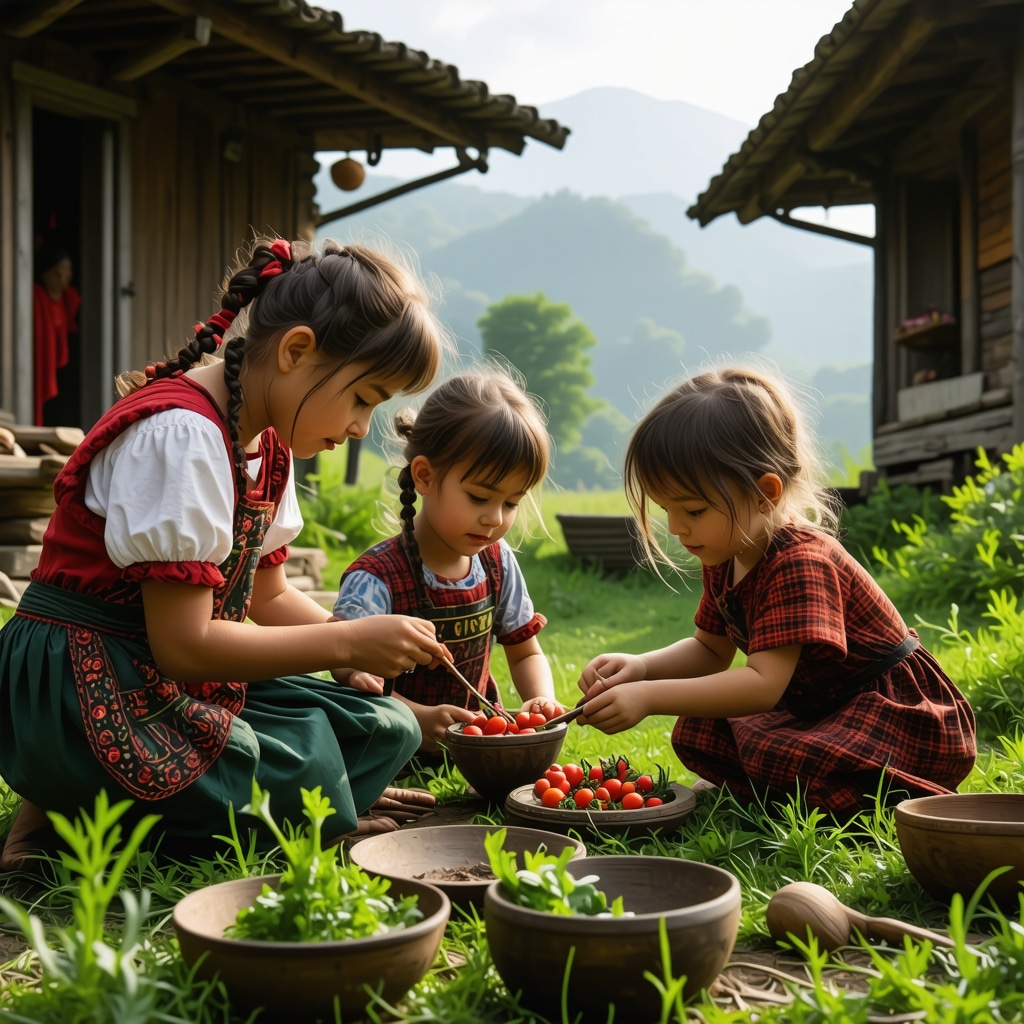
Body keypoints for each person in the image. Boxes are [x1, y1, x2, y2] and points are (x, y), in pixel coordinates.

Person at [0, 236, 451, 871]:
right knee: (308, 770)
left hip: (175, 679)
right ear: (297, 351)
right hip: (88, 679)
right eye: (362, 398)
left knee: (389, 727)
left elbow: (266, 598)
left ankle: (283, 800)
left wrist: (353, 647)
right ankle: (59, 806)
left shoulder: (268, 444)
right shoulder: (180, 436)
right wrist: (345, 645)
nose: (358, 428)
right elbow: (183, 644)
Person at [576, 365, 977, 818]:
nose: (676, 528)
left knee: (786, 749)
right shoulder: (727, 551)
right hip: (819, 705)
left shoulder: (799, 561)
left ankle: (868, 797)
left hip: (891, 712)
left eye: (692, 509)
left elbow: (763, 685)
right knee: (705, 724)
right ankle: (789, 788)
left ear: (765, 492)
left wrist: (650, 699)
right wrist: (642, 669)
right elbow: (710, 651)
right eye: (667, 509)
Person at [333, 368, 561, 756]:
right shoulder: (376, 577)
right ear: (424, 476)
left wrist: (540, 701)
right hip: (390, 752)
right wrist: (416, 717)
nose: (494, 518)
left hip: (478, 750)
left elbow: (525, 651)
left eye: (511, 503)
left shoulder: (498, 563)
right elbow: (346, 671)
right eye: (478, 497)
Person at [33, 244, 81, 426]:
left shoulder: (67, 299)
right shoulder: (36, 296)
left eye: (67, 270)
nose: (65, 276)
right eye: (60, 271)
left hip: (60, 365)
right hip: (40, 361)